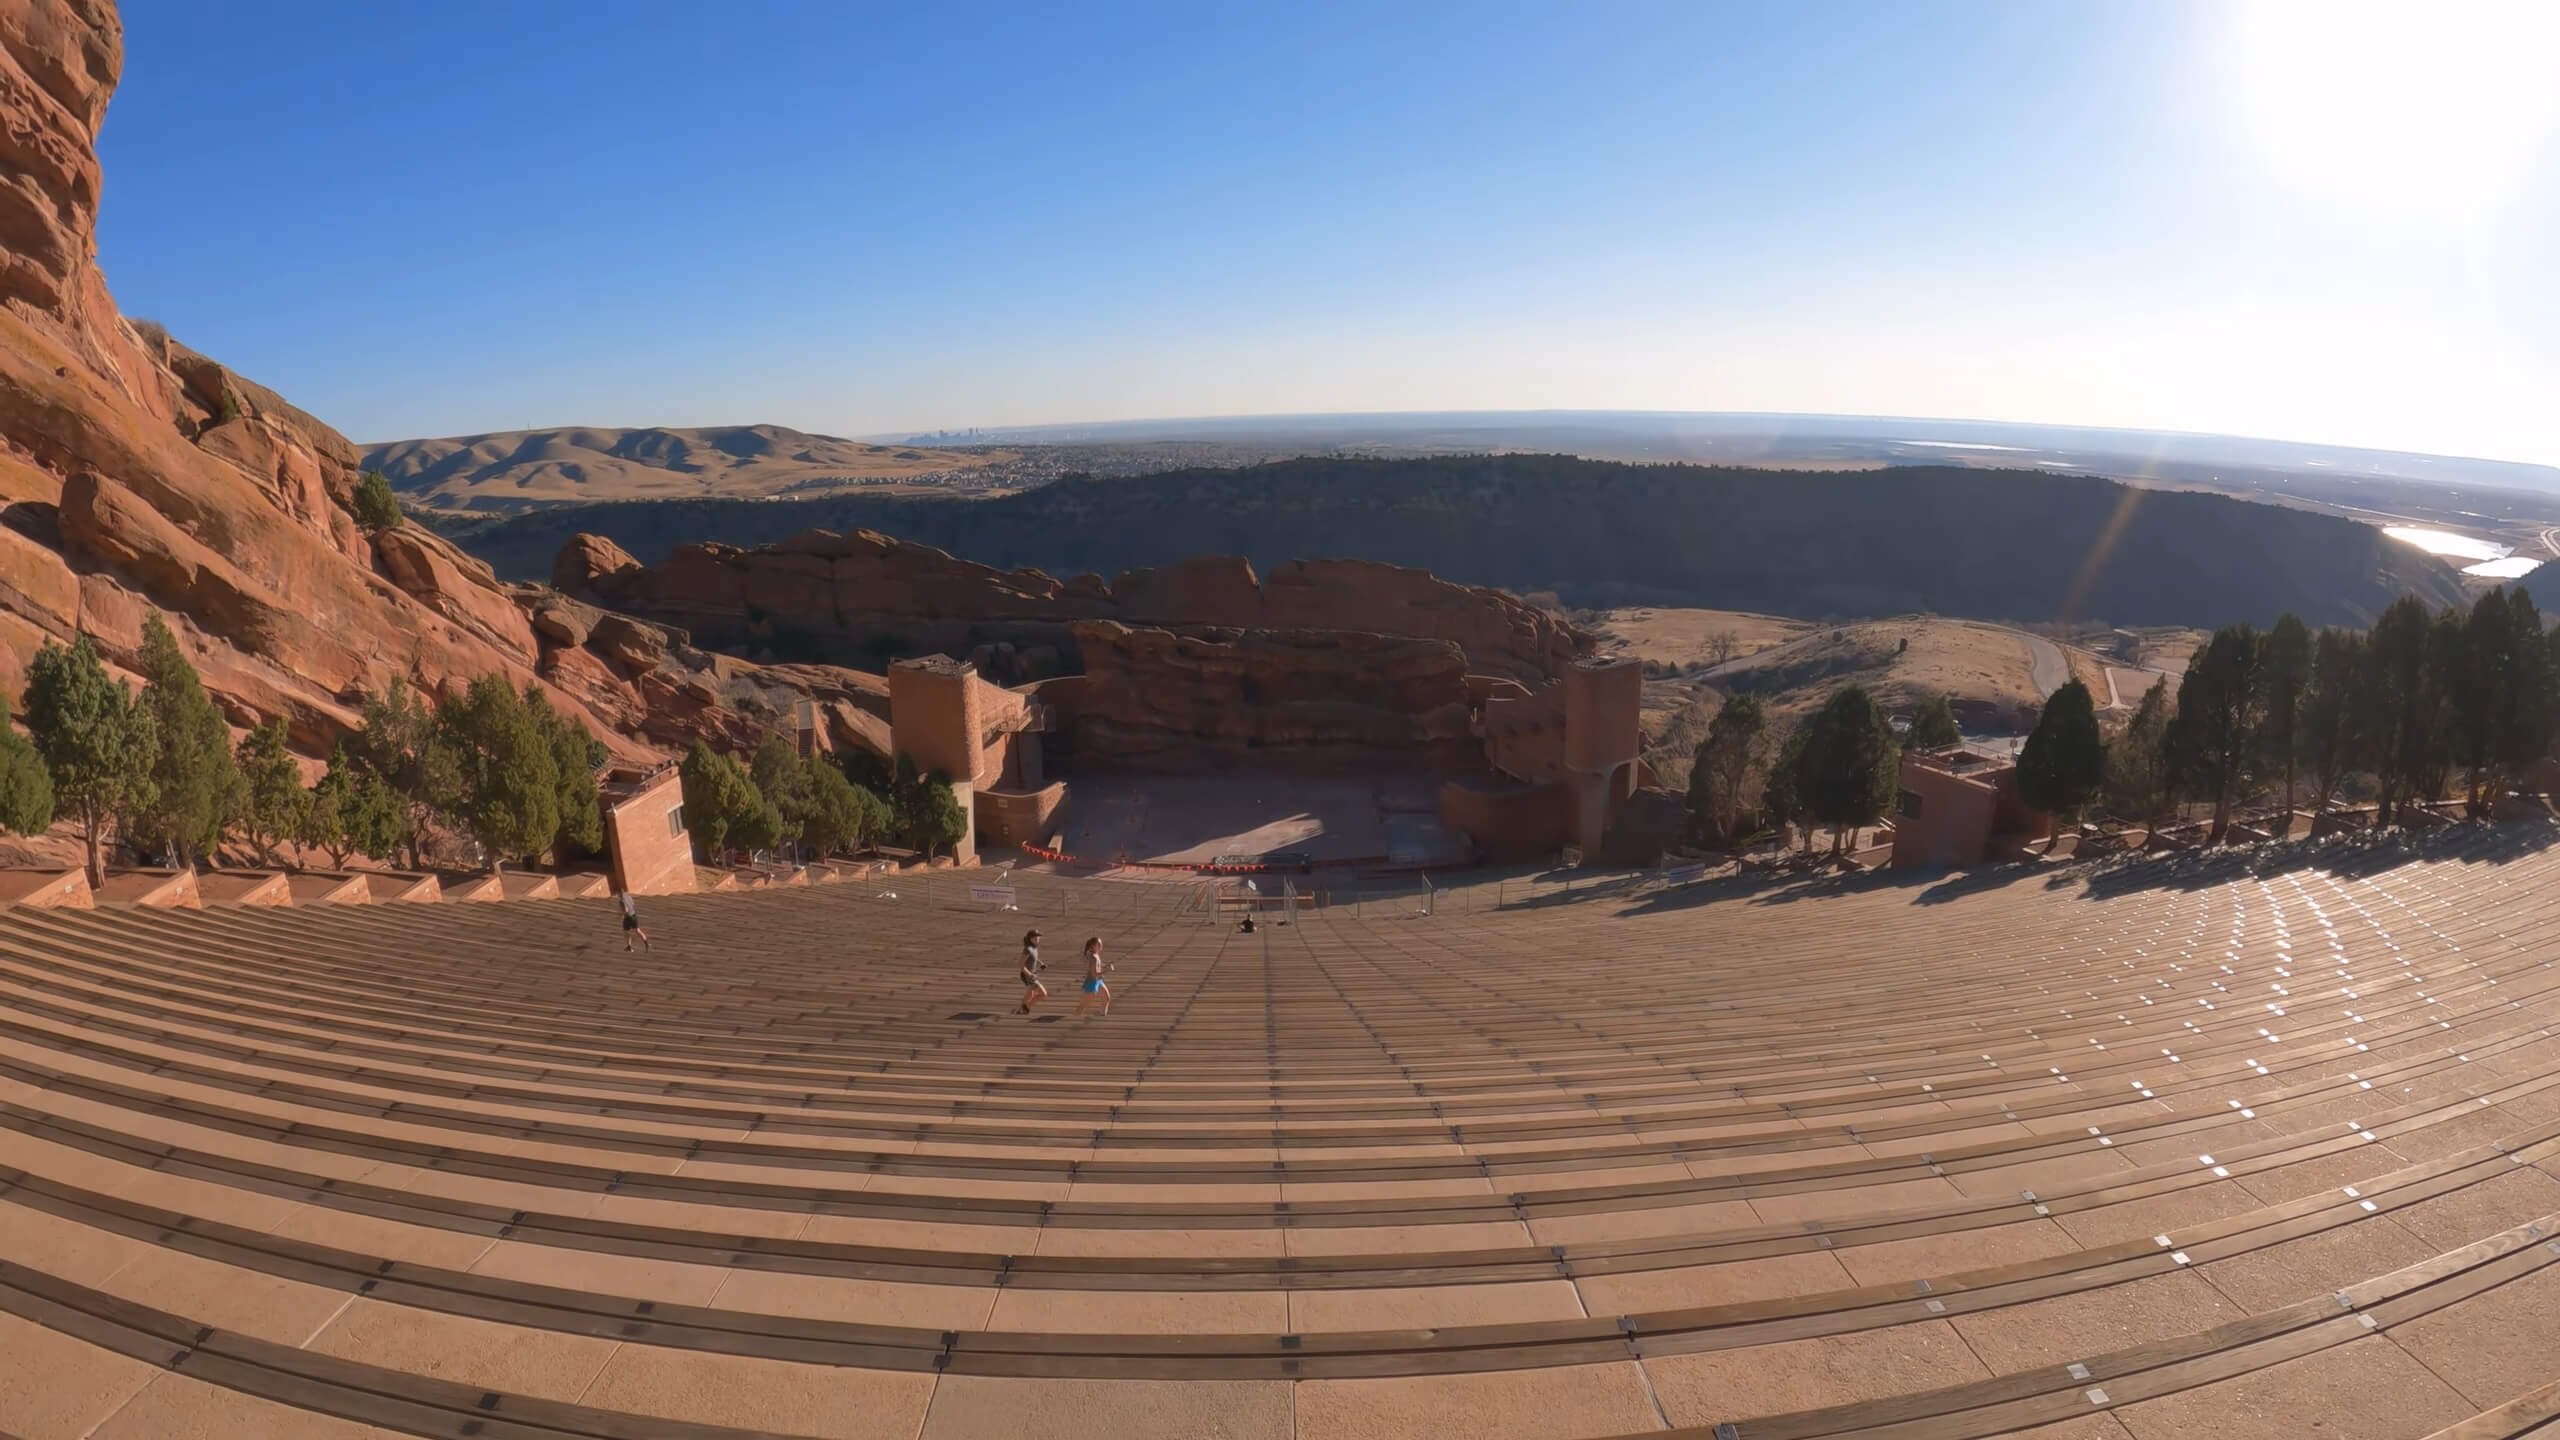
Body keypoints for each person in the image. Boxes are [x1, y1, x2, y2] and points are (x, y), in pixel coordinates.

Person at [1074, 936, 1112, 1016]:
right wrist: (1107, 970)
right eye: (1099, 944)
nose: (1101, 945)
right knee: (1084, 1005)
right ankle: (1074, 1017)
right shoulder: (1093, 957)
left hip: (1098, 980)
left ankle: (1102, 1015)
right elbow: (1094, 974)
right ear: (1093, 946)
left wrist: (1104, 966)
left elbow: (1097, 965)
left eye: (1101, 944)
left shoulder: (1094, 954)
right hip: (1092, 982)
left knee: (1106, 997)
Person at [1017, 929, 1047, 1014]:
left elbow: (1034, 957)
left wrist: (1041, 963)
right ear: (1030, 938)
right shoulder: (1028, 949)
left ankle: (1021, 1009)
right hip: (1028, 975)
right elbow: (1020, 964)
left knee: (1030, 994)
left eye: (1038, 937)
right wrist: (1030, 974)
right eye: (1035, 937)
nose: (1037, 939)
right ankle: (1026, 1007)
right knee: (1043, 994)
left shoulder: (1034, 947)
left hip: (1031, 975)